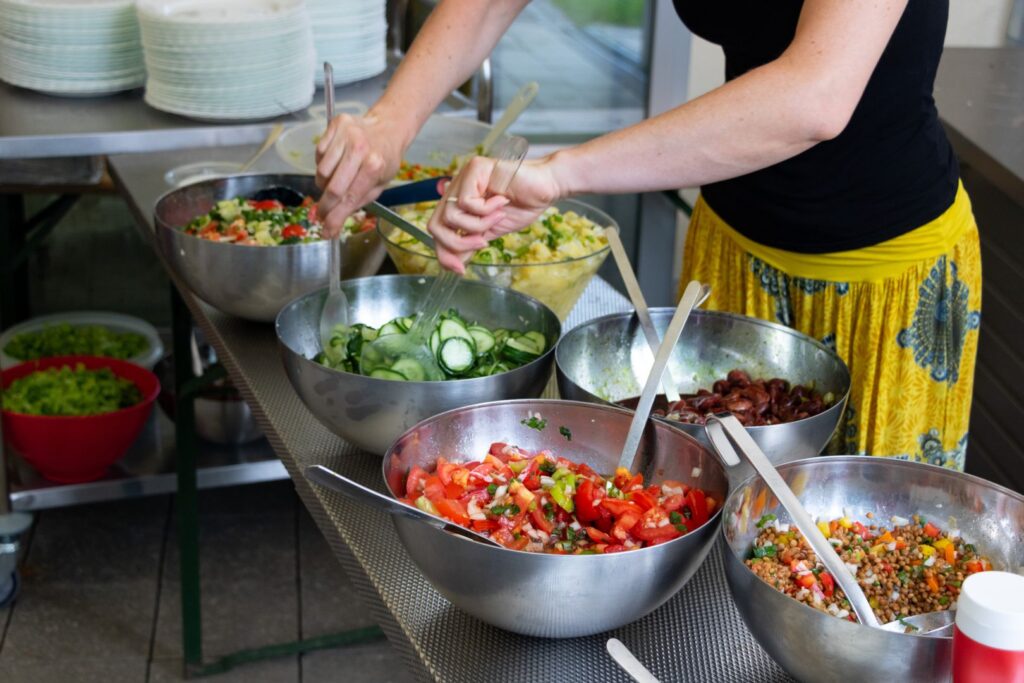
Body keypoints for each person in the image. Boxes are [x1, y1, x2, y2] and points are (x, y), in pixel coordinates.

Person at [315, 0, 981, 470]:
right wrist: (387, 125)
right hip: (732, 253)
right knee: (714, 538)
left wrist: (561, 172)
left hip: (885, 281)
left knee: (865, 583)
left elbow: (816, 96)